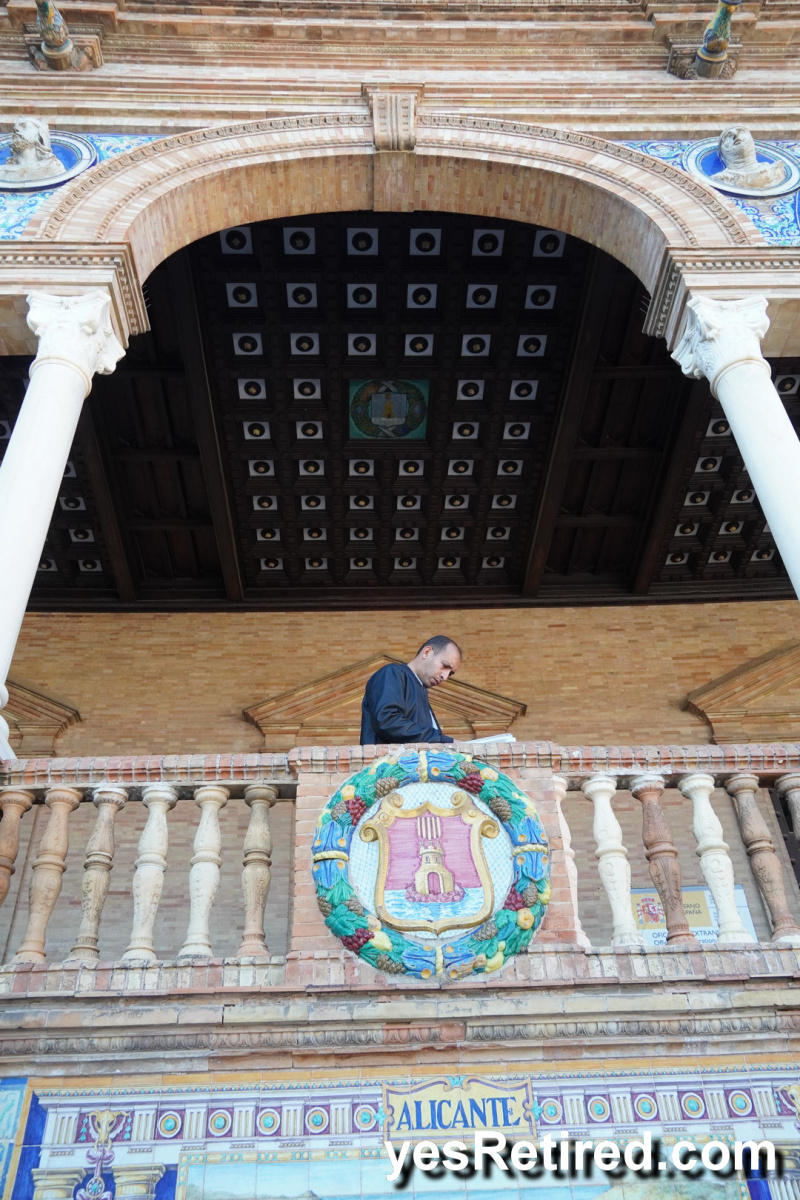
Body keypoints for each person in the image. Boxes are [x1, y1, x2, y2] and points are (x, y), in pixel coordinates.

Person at [360, 636, 462, 745]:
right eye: (444, 666)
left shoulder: (420, 691)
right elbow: (387, 720)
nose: (445, 677)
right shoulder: (392, 673)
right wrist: (444, 741)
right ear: (426, 652)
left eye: (450, 673)